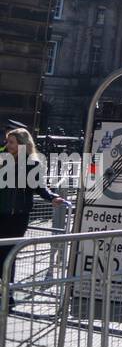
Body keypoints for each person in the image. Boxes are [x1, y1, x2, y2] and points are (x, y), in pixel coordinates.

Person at [1, 128, 70, 302]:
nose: (7, 145)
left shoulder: (32, 164)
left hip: (18, 216)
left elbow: (40, 187)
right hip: (0, 213)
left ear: (22, 144)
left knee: (9, 254)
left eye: (11, 142)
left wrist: (53, 197)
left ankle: (8, 293)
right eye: (7, 142)